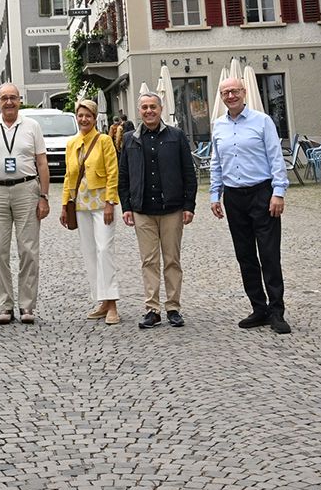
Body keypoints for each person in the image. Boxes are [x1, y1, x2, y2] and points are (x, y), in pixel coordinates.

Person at [209, 76, 291, 334]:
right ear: (221, 97)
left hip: (262, 194)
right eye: (225, 93)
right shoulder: (218, 126)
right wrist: (215, 194)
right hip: (234, 197)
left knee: (269, 254)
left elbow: (276, 157)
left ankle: (276, 311)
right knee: (245, 255)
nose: (230, 96)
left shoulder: (262, 121)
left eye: (234, 91)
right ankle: (259, 308)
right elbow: (216, 162)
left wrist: (278, 192)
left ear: (244, 92)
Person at [119, 93, 197, 329]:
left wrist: (189, 205)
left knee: (172, 260)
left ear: (161, 109)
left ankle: (173, 307)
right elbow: (124, 175)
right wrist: (126, 206)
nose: (149, 111)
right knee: (148, 261)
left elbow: (188, 172)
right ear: (139, 111)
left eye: (153, 106)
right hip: (142, 210)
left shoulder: (176, 136)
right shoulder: (130, 139)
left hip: (172, 209)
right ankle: (152, 309)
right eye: (144, 107)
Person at [0, 83, 47, 324]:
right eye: (4, 98)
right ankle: (5, 305)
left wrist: (44, 197)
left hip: (26, 190)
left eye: (13, 98)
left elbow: (42, 163)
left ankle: (27, 305)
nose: (8, 102)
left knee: (28, 250)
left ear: (19, 100)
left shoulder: (32, 126)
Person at [61, 98, 120, 325]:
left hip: (101, 203)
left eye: (88, 116)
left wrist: (110, 202)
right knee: (90, 253)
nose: (84, 119)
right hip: (80, 205)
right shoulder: (72, 143)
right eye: (80, 115)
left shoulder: (104, 140)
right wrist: (65, 205)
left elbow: (113, 172)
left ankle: (112, 302)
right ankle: (101, 300)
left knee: (105, 250)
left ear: (95, 118)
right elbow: (69, 177)